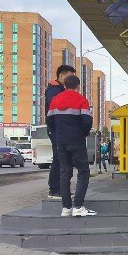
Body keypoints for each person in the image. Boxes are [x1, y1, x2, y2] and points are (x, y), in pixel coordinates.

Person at [47, 74, 96, 217]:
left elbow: (49, 122)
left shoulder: (55, 100)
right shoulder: (81, 100)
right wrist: (82, 134)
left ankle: (66, 208)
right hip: (77, 141)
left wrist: (58, 135)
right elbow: (87, 121)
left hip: (61, 142)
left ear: (65, 85)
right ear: (78, 86)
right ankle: (78, 206)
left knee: (64, 173)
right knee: (83, 172)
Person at [45, 64, 77, 200]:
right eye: (70, 77)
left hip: (62, 129)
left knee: (64, 159)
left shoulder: (60, 89)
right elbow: (58, 107)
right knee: (59, 158)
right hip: (56, 129)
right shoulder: (54, 90)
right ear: (62, 75)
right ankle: (54, 190)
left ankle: (62, 189)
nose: (72, 80)